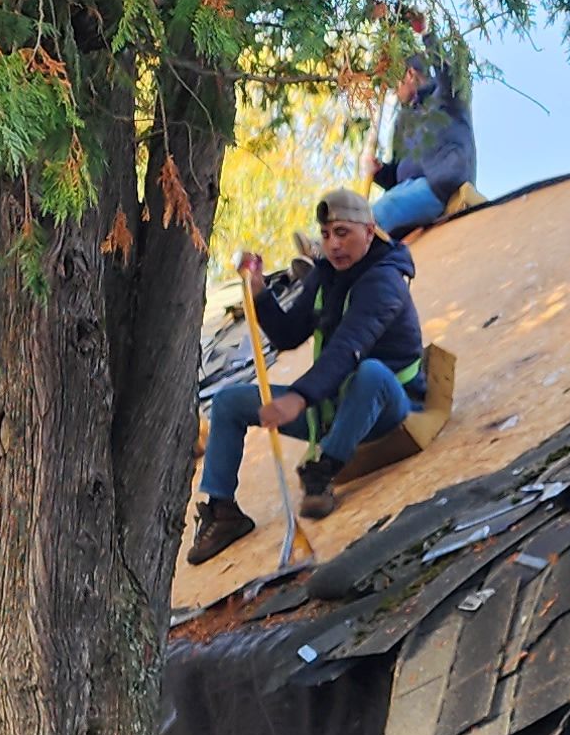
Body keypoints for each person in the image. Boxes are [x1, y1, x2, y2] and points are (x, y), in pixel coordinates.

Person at [192, 189, 429, 561]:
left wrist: (300, 396)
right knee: (228, 401)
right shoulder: (326, 276)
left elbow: (347, 348)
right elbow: (287, 335)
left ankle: (323, 473)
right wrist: (260, 294)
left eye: (342, 232)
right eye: (326, 234)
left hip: (387, 402)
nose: (333, 244)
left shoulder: (386, 281)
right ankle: (222, 511)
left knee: (370, 372)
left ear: (369, 232)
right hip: (331, 404)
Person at [367, 47, 477, 234]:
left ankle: (324, 253)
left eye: (395, 84)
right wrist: (379, 172)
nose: (394, 92)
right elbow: (396, 176)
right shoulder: (403, 121)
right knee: (381, 231)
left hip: (439, 186)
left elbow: (449, 72)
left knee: (381, 210)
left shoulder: (446, 97)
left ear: (410, 74)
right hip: (407, 193)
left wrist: (426, 34)